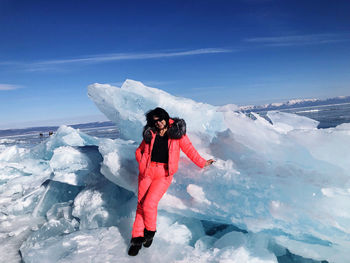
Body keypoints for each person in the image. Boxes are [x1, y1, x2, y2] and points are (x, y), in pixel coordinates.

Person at [128, 107, 214, 256]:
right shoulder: (150, 133)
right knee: (141, 205)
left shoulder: (177, 133)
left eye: (161, 120)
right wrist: (142, 162)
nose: (159, 123)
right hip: (146, 173)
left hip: (163, 174)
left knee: (149, 204)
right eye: (155, 121)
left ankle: (149, 232)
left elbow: (189, 149)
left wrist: (202, 163)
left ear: (165, 118)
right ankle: (136, 240)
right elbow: (139, 150)